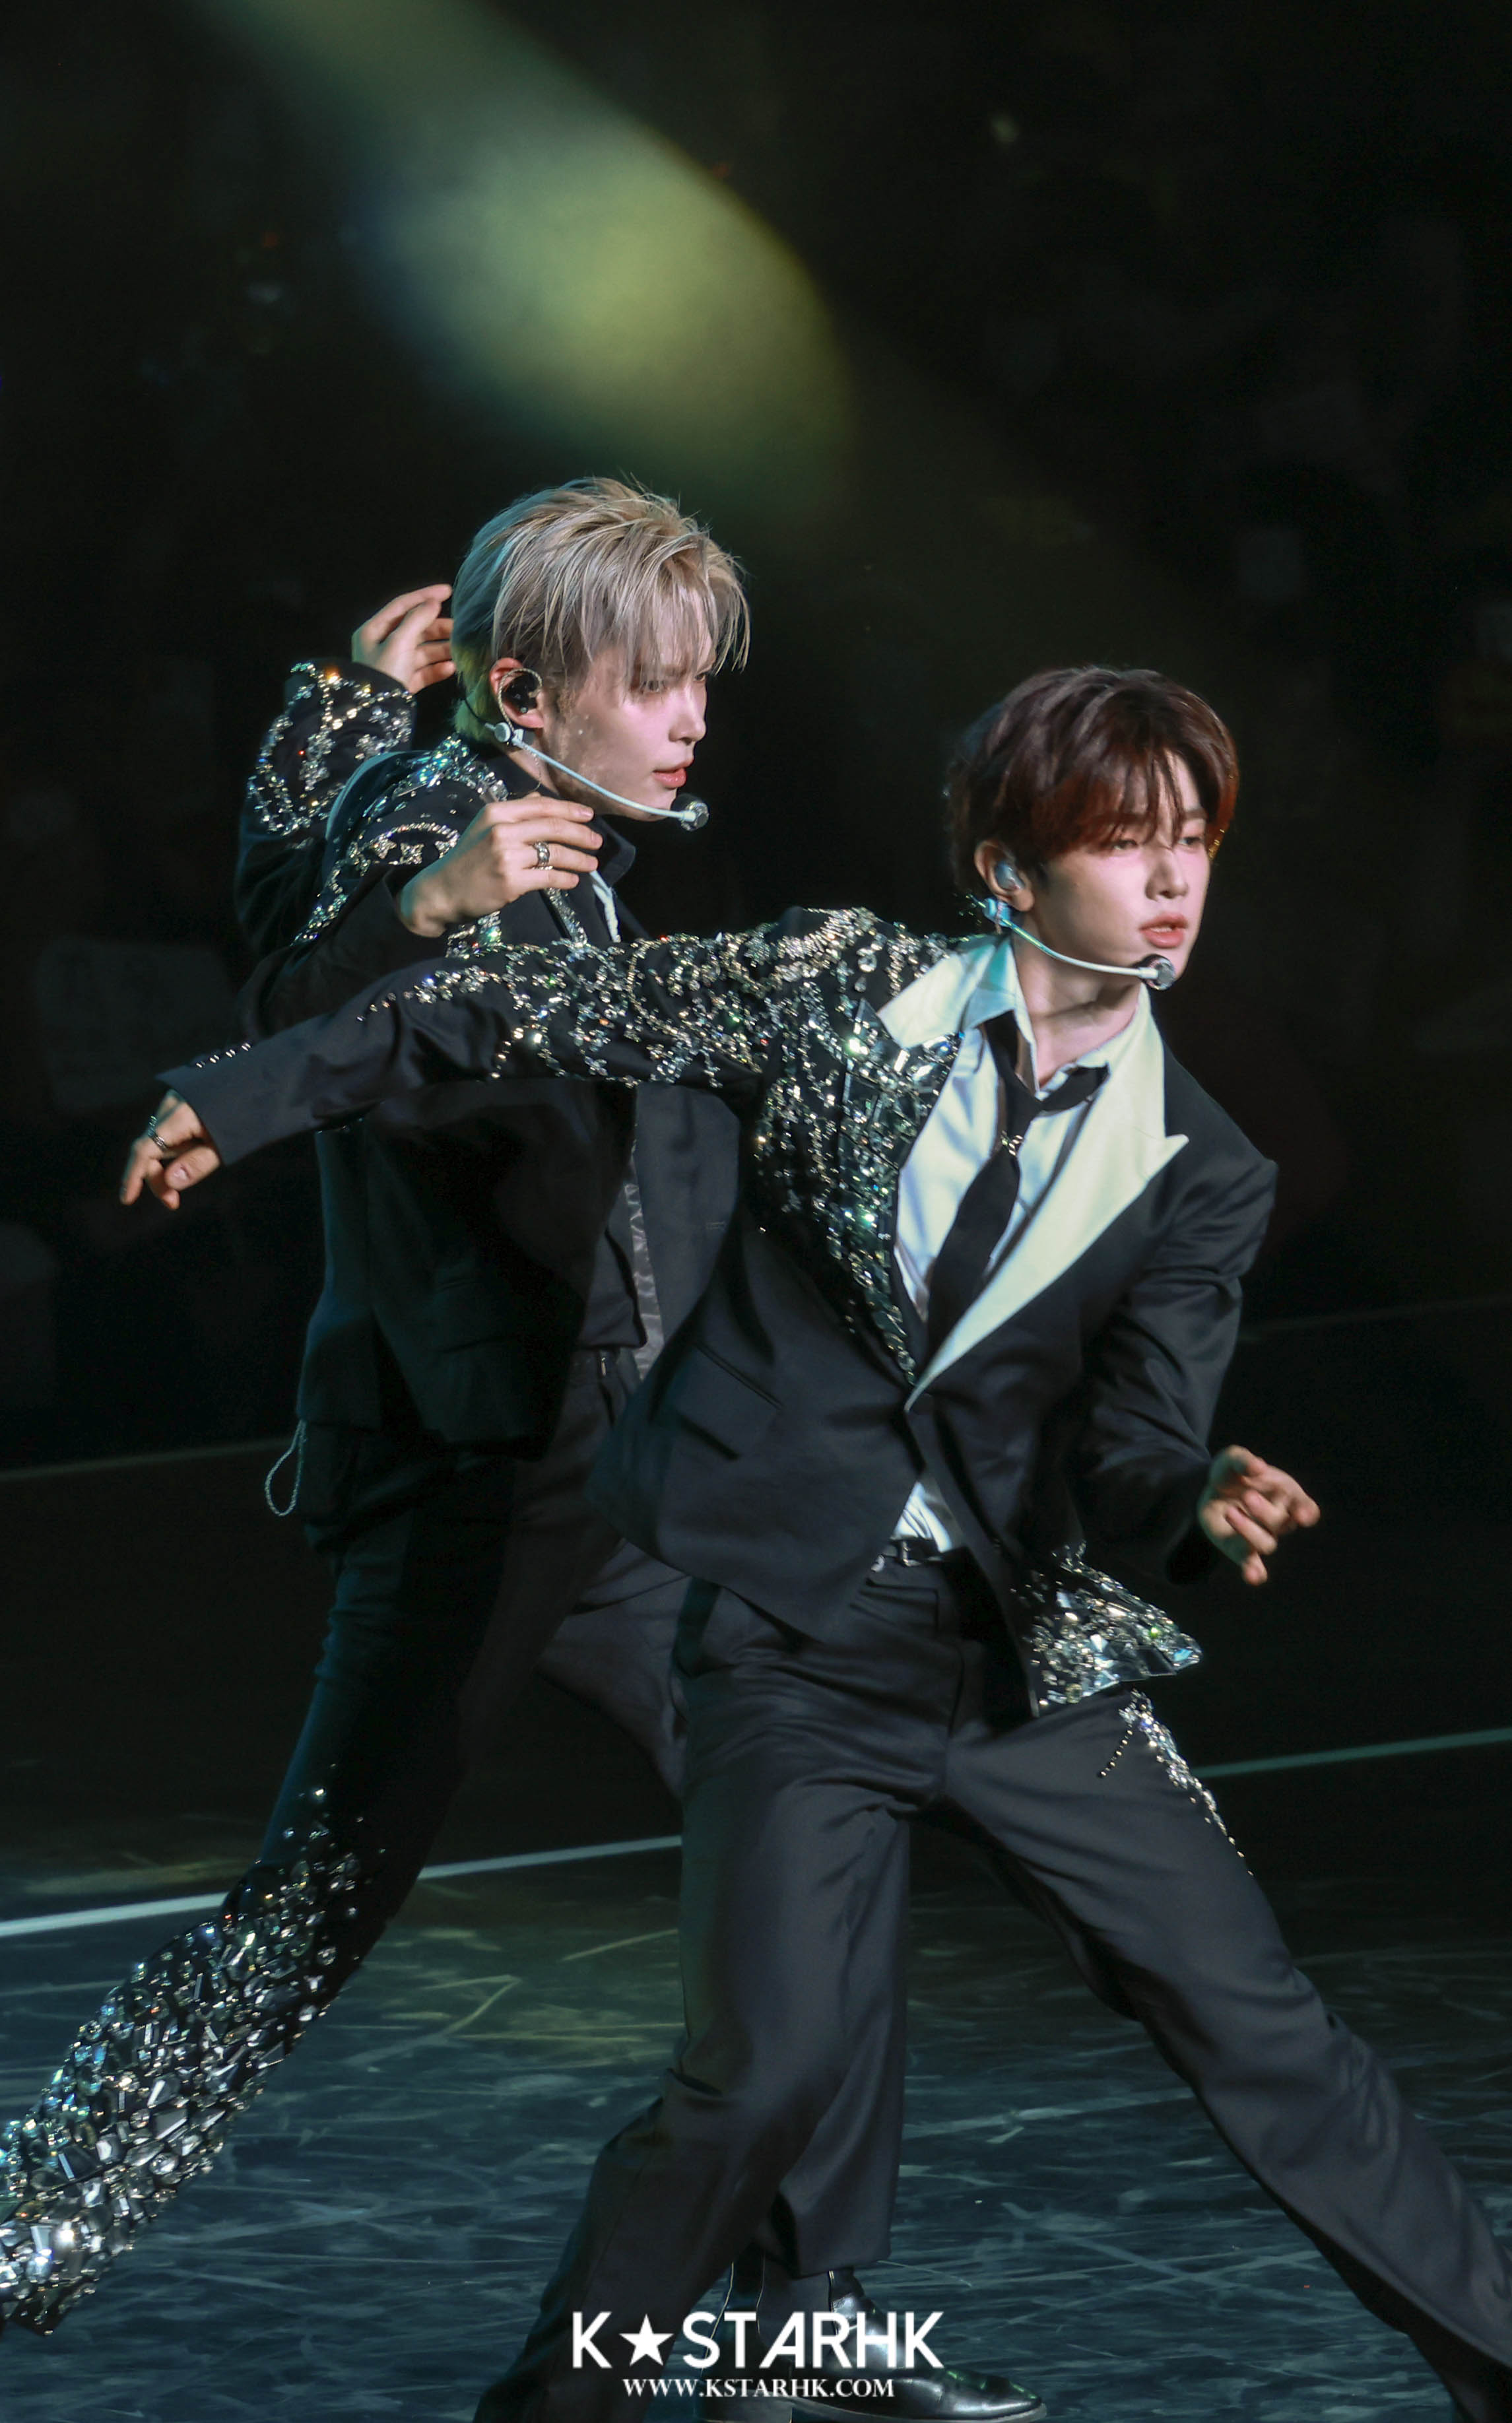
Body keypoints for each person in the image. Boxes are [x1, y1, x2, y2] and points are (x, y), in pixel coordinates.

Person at [127, 663, 1512, 2423]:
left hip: (1026, 1669)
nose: (1172, 883)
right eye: (1124, 842)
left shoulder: (1195, 1161)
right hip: (796, 1643)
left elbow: (1133, 1444)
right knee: (758, 2079)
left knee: (1270, 2038)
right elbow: (507, 1012)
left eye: (1195, 844)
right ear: (1008, 869)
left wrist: (1194, 1494)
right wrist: (251, 1093)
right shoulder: (836, 985)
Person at [2, 484, 1037, 2423]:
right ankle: (32, 2220)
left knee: (814, 1854)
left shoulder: (520, 817)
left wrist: (335, 714)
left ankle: (805, 2318)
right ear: (528, 697)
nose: (690, 717)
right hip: (494, 1469)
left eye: (699, 679)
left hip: (637, 1456)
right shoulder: (444, 826)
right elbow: (293, 1001)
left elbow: (306, 912)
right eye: (649, 682)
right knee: (321, 1895)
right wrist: (416, 890)